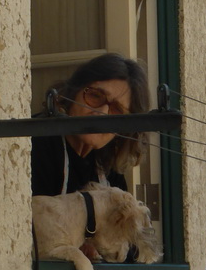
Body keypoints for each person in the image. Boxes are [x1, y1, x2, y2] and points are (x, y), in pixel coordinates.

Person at [31, 53, 150, 196]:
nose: (101, 113)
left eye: (117, 109)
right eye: (95, 96)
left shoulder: (109, 168)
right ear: (73, 91)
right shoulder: (36, 144)